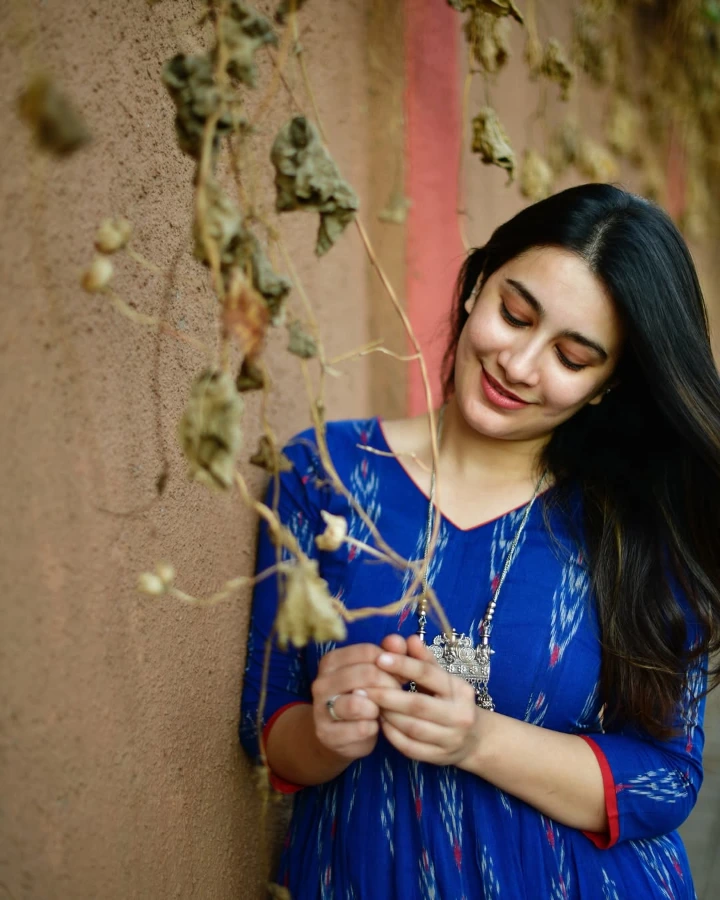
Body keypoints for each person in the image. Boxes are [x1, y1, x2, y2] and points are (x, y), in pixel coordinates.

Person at [240, 183, 720, 899]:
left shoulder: (635, 525)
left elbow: (664, 781)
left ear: (607, 387)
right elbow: (265, 726)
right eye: (514, 314)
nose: (519, 365)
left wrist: (479, 740)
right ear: (475, 287)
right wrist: (324, 729)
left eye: (572, 356)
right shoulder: (324, 475)